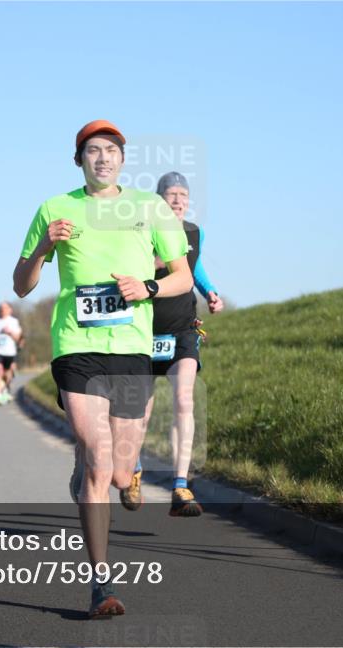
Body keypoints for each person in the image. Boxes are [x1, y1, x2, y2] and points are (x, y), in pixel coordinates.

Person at [13, 120, 192, 618]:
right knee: (97, 460)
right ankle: (101, 583)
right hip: (77, 347)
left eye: (111, 150)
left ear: (122, 159)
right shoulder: (55, 208)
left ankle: (95, 464)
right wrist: (45, 247)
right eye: (93, 150)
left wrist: (148, 288)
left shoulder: (150, 208)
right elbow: (22, 284)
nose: (103, 158)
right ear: (80, 160)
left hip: (131, 348)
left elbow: (180, 277)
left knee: (117, 474)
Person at [120, 171, 224, 517]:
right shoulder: (142, 231)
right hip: (145, 331)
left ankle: (181, 485)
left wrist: (209, 292)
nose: (178, 199)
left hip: (182, 329)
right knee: (142, 410)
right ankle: (133, 471)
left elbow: (194, 268)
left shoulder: (195, 233)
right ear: (158, 200)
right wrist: (160, 262)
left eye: (183, 194)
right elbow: (128, 268)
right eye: (171, 194)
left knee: (184, 401)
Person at [0, 301, 22, 405]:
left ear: (10, 310)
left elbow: (18, 338)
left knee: (8, 374)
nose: (2, 310)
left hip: (9, 351)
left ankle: (4, 390)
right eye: (1, 308)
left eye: (5, 308)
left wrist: (9, 332)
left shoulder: (14, 322)